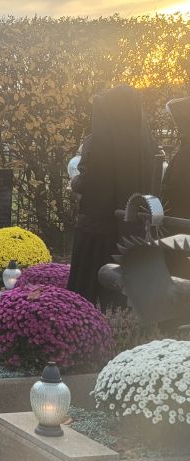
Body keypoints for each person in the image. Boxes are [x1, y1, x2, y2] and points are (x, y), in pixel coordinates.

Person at [67, 85, 159, 308]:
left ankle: (86, 326)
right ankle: (120, 325)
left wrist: (75, 182)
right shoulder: (146, 142)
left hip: (96, 229)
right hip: (131, 230)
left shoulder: (101, 141)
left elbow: (91, 181)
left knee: (85, 293)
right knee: (121, 297)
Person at [161, 97, 190, 220]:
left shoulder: (186, 153)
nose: (176, 126)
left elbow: (175, 187)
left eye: (178, 121)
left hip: (180, 219)